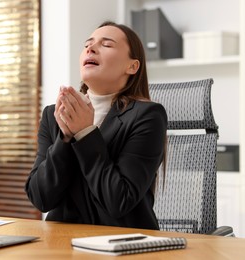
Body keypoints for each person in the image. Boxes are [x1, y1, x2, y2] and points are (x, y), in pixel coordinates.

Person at [25, 21, 167, 230]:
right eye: (87, 45)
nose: (91, 48)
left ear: (132, 66)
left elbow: (119, 201)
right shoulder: (53, 114)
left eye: (107, 44)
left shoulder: (147, 116)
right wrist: (65, 138)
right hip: (62, 244)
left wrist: (85, 134)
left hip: (122, 244)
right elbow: (41, 198)